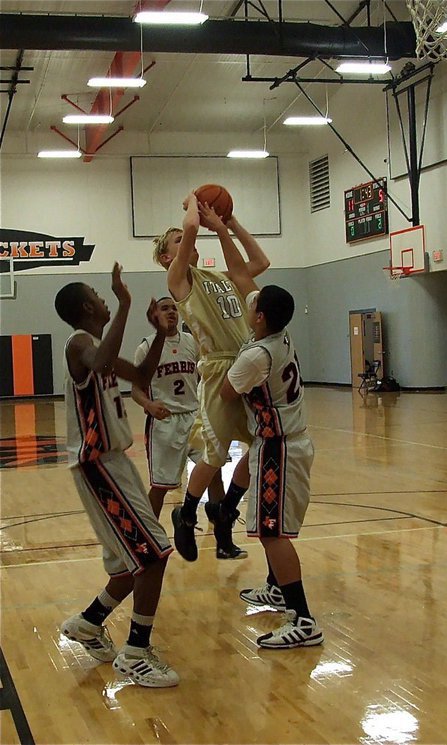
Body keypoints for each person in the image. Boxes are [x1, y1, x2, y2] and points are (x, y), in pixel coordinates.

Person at [54, 264, 179, 687]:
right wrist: (125, 303)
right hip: (97, 465)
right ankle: (136, 653)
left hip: (115, 463)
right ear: (88, 306)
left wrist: (159, 333)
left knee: (134, 563)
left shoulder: (96, 344)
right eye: (99, 294)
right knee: (153, 555)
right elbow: (103, 359)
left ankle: (88, 623)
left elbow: (141, 377)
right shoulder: (79, 344)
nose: (104, 298)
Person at [154, 192, 270, 561]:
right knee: (215, 454)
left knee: (264, 446)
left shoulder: (220, 277)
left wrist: (231, 222)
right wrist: (192, 201)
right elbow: (190, 225)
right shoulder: (180, 281)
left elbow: (260, 261)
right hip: (219, 370)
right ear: (166, 257)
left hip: (247, 364)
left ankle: (226, 510)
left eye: (183, 238)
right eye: (177, 242)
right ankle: (186, 513)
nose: (187, 239)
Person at [218, 255, 322, 648]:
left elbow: (227, 392)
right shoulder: (282, 336)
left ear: (259, 317)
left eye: (253, 308)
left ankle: (304, 619)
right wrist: (223, 226)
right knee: (267, 529)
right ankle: (277, 588)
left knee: (273, 533)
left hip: (281, 447)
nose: (249, 307)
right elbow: (246, 280)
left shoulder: (255, 356)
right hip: (277, 442)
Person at [130, 298, 233, 557]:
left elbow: (204, 376)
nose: (171, 312)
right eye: (164, 308)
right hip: (165, 422)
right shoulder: (146, 348)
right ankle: (149, 536)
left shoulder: (191, 342)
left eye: (173, 308)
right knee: (162, 486)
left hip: (194, 417)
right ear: (154, 315)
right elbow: (135, 389)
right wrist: (149, 405)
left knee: (214, 472)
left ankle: (223, 536)